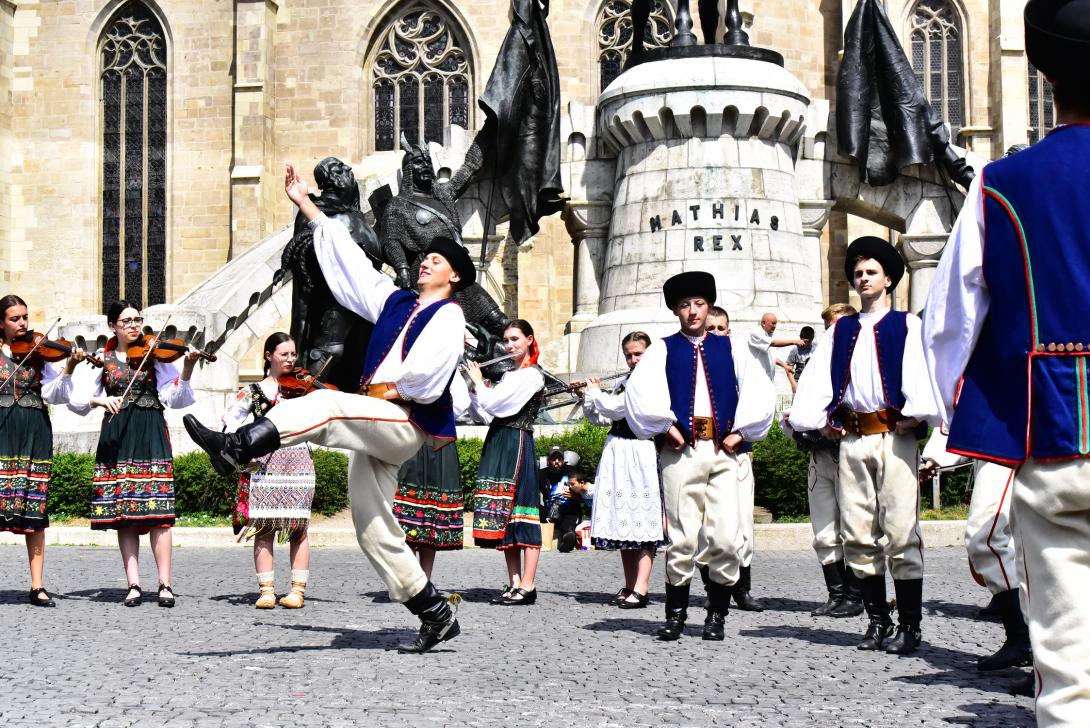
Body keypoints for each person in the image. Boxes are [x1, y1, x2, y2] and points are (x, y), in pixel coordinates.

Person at [184, 163, 473, 654]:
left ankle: (238, 445)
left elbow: (427, 381)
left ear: (454, 275)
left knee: (328, 404)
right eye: (425, 257)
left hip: (406, 423)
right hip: (382, 422)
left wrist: (387, 389)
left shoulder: (449, 315)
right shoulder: (397, 303)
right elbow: (353, 266)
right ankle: (434, 611)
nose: (424, 262)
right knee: (372, 526)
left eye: (436, 261)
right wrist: (307, 206)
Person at [922, 3, 1090, 719]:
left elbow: (947, 329)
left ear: (1046, 77)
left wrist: (960, 425)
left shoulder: (999, 186)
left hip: (1052, 437)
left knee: (1068, 663)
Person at [790, 237, 939, 655]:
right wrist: (821, 422)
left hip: (894, 438)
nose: (863, 278)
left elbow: (922, 376)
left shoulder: (906, 325)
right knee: (856, 533)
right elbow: (818, 381)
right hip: (853, 440)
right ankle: (877, 621)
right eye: (857, 273)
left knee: (901, 532)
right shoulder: (841, 329)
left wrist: (917, 413)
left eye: (871, 272)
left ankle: (910, 626)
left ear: (888, 279)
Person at [625, 271, 775, 641]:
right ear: (676, 310)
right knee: (682, 537)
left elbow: (759, 390)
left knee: (725, 537)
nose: (692, 311)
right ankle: (675, 615)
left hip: (724, 450)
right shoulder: (662, 348)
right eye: (685, 305)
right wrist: (665, 426)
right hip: (683, 453)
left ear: (708, 308)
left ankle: (717, 614)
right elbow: (640, 392)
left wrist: (741, 432)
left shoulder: (732, 347)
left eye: (699, 304)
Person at [69, 300, 200, 608]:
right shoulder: (102, 359)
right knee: (125, 515)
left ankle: (165, 583)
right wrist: (100, 402)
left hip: (150, 430)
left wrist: (189, 368)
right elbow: (75, 401)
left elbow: (176, 399)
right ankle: (134, 584)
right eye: (126, 321)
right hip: (118, 435)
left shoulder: (156, 357)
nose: (133, 325)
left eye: (137, 319)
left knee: (160, 514)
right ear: (112, 326)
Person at [0, 294, 85, 606]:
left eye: (24, 317)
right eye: (15, 319)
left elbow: (56, 394)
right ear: (1, 323)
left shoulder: (38, 354)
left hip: (34, 430)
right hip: (2, 431)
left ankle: (37, 586)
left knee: (33, 509)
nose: (23, 323)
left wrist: (70, 368)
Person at [221, 332, 316, 609]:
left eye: (293, 354)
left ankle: (297, 590)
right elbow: (230, 418)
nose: (290, 359)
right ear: (268, 356)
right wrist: (240, 441)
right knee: (264, 527)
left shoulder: (304, 390)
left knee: (299, 528)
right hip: (264, 463)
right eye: (284, 354)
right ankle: (266, 590)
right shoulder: (254, 391)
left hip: (298, 459)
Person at [921, 432, 1030, 671]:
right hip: (996, 443)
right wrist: (937, 454)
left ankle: (1025, 639)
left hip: (1011, 439)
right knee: (1009, 541)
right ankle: (1024, 640)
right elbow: (961, 405)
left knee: (986, 538)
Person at [783, 303, 862, 618]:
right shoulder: (817, 362)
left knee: (857, 524)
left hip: (849, 451)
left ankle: (857, 596)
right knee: (824, 528)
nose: (834, 332)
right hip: (820, 454)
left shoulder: (858, 359)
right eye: (830, 325)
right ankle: (837, 594)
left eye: (840, 324)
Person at [581, 330, 665, 607]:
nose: (632, 360)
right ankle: (630, 585)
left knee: (642, 518)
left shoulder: (651, 380)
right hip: (617, 450)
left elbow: (619, 408)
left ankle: (641, 587)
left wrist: (596, 393)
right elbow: (598, 418)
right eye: (628, 355)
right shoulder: (623, 381)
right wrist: (587, 396)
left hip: (639, 450)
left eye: (638, 354)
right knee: (623, 521)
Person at [466, 319, 546, 605]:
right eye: (507, 341)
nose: (510, 345)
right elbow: (487, 413)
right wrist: (476, 390)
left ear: (529, 340)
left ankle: (529, 584)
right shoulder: (510, 376)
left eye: (515, 339)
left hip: (517, 441)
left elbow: (499, 405)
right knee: (505, 515)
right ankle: (514, 582)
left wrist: (479, 384)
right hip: (499, 438)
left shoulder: (532, 376)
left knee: (523, 511)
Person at [707, 311, 764, 611]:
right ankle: (712, 588)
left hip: (736, 452)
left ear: (729, 331)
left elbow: (757, 399)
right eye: (710, 328)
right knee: (708, 525)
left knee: (742, 523)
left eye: (721, 328)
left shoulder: (740, 359)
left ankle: (742, 589)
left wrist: (741, 433)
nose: (716, 332)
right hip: (703, 453)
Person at [392, 374, 471, 578]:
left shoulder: (450, 373)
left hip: (439, 439)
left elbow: (461, 404)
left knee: (432, 515)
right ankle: (410, 578)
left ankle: (424, 579)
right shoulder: (408, 370)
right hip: (413, 437)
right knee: (408, 515)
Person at [538, 447, 585, 553]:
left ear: (563, 460)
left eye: (559, 459)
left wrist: (575, 496)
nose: (557, 462)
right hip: (549, 512)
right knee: (534, 508)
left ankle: (568, 537)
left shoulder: (572, 471)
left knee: (569, 517)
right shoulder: (541, 474)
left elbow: (584, 491)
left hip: (568, 510)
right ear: (548, 461)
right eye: (553, 459)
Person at [748, 312, 805, 383]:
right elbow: (773, 343)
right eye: (773, 323)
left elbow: (772, 357)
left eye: (775, 324)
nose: (775, 326)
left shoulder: (768, 336)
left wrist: (785, 366)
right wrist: (794, 341)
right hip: (757, 379)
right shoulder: (755, 333)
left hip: (767, 379)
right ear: (763, 323)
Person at [784, 326, 816, 393]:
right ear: (800, 338)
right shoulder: (795, 350)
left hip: (813, 383)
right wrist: (793, 384)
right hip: (799, 383)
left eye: (809, 342)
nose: (806, 344)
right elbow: (789, 369)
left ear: (812, 339)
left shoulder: (817, 348)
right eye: (804, 341)